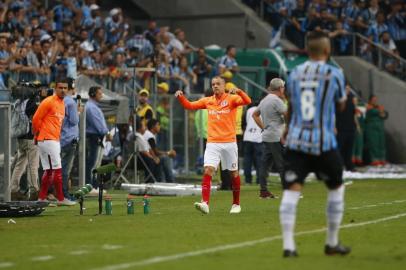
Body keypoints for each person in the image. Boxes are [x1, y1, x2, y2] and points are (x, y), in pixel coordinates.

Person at [280, 31, 350, 257]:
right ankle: (331, 243)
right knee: (336, 187)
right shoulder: (334, 73)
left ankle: (289, 246)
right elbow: (340, 106)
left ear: (307, 51)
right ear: (327, 51)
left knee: (292, 190)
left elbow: (290, 107)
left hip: (297, 140)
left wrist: (288, 130)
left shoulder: (294, 73)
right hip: (324, 142)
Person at [175, 76, 251, 214]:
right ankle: (205, 203)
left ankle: (236, 204)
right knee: (208, 170)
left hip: (229, 142)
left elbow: (248, 101)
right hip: (213, 143)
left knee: (233, 173)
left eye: (218, 84)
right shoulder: (208, 101)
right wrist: (181, 97)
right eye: (213, 84)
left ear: (224, 86)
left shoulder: (231, 99)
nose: (215, 86)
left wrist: (239, 91)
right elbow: (189, 106)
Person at [32, 79, 76, 206]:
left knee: (49, 170)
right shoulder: (49, 101)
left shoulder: (61, 103)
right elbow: (35, 118)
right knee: (57, 169)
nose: (63, 90)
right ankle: (61, 199)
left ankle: (41, 198)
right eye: (60, 88)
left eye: (65, 88)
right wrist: (36, 133)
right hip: (49, 140)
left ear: (68, 90)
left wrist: (38, 136)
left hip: (48, 139)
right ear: (55, 88)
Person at [253, 78, 287, 198]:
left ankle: (263, 191)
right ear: (280, 88)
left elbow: (255, 115)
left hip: (267, 136)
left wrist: (264, 127)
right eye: (283, 87)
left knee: (265, 164)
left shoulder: (265, 100)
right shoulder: (277, 101)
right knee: (283, 164)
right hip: (277, 136)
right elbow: (287, 114)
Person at [85, 86, 111, 187]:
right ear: (93, 94)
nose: (101, 95)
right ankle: (90, 185)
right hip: (94, 136)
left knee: (96, 163)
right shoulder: (91, 107)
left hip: (97, 136)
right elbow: (98, 124)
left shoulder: (93, 106)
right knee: (92, 164)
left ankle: (94, 185)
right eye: (99, 93)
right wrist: (106, 133)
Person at [60, 78, 81, 201]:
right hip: (69, 139)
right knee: (65, 168)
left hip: (59, 138)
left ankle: (58, 192)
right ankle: (63, 194)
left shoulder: (58, 100)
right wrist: (78, 112)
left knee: (58, 167)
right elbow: (74, 121)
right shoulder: (71, 103)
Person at [336, 84, 357, 171]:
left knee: (349, 148)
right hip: (341, 127)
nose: (347, 90)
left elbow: (354, 113)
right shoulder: (338, 98)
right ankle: (338, 165)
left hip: (350, 126)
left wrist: (356, 125)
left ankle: (349, 165)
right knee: (340, 147)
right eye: (346, 88)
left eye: (348, 88)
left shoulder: (352, 98)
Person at [242, 101, 262, 185]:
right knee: (259, 160)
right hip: (258, 138)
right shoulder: (261, 110)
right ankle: (259, 179)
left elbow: (243, 123)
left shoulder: (247, 111)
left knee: (247, 160)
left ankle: (247, 180)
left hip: (247, 137)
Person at [365, 95, 388, 166]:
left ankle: (382, 159)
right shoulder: (368, 107)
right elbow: (373, 112)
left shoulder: (378, 107)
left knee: (381, 143)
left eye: (376, 99)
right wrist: (380, 111)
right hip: (372, 128)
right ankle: (375, 159)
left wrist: (382, 113)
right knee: (374, 144)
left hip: (380, 128)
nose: (375, 101)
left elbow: (385, 114)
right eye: (373, 99)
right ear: (370, 100)